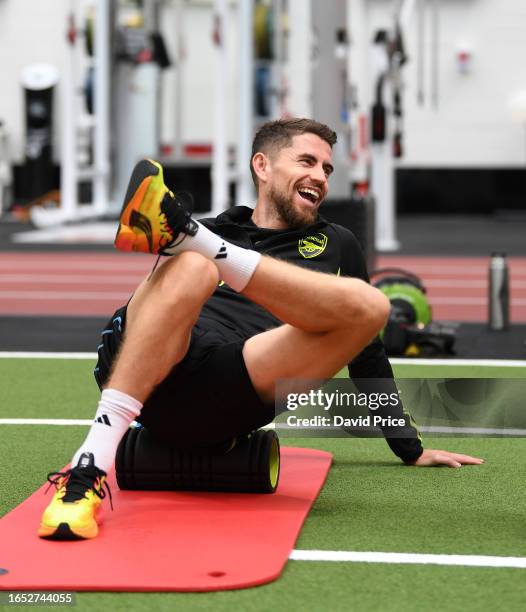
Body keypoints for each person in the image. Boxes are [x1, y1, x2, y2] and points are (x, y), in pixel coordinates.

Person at [38, 118, 483, 540]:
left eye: (327, 168)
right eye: (307, 162)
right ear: (262, 166)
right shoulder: (218, 227)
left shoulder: (338, 243)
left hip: (238, 385)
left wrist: (409, 447)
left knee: (370, 305)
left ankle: (197, 243)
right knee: (192, 266)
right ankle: (87, 467)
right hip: (152, 370)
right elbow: (153, 312)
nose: (322, 177)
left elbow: (366, 354)